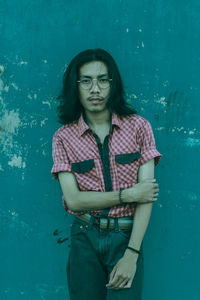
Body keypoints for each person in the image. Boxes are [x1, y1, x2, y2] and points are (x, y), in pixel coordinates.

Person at [51, 48, 162, 300]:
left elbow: (146, 197)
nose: (95, 89)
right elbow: (75, 201)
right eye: (86, 81)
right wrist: (128, 194)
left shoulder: (139, 127)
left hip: (126, 236)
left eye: (103, 80)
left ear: (113, 83)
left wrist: (132, 254)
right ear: (75, 86)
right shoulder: (63, 138)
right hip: (84, 237)